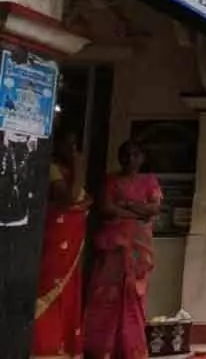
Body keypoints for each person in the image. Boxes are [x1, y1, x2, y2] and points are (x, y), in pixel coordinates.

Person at [83, 140, 162, 358]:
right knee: (106, 295)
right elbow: (106, 208)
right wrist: (138, 213)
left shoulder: (149, 181)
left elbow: (154, 208)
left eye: (135, 155)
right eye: (125, 155)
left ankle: (131, 348)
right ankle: (102, 348)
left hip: (138, 250)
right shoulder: (111, 180)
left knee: (133, 295)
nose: (130, 159)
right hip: (113, 246)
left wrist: (124, 207)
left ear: (142, 158)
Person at [32, 129, 89, 359]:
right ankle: (43, 346)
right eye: (69, 144)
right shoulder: (53, 169)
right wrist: (80, 167)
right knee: (48, 291)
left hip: (71, 247)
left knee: (67, 294)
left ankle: (62, 347)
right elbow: (70, 198)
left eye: (76, 145)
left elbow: (84, 199)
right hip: (56, 243)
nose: (73, 150)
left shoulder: (65, 171)